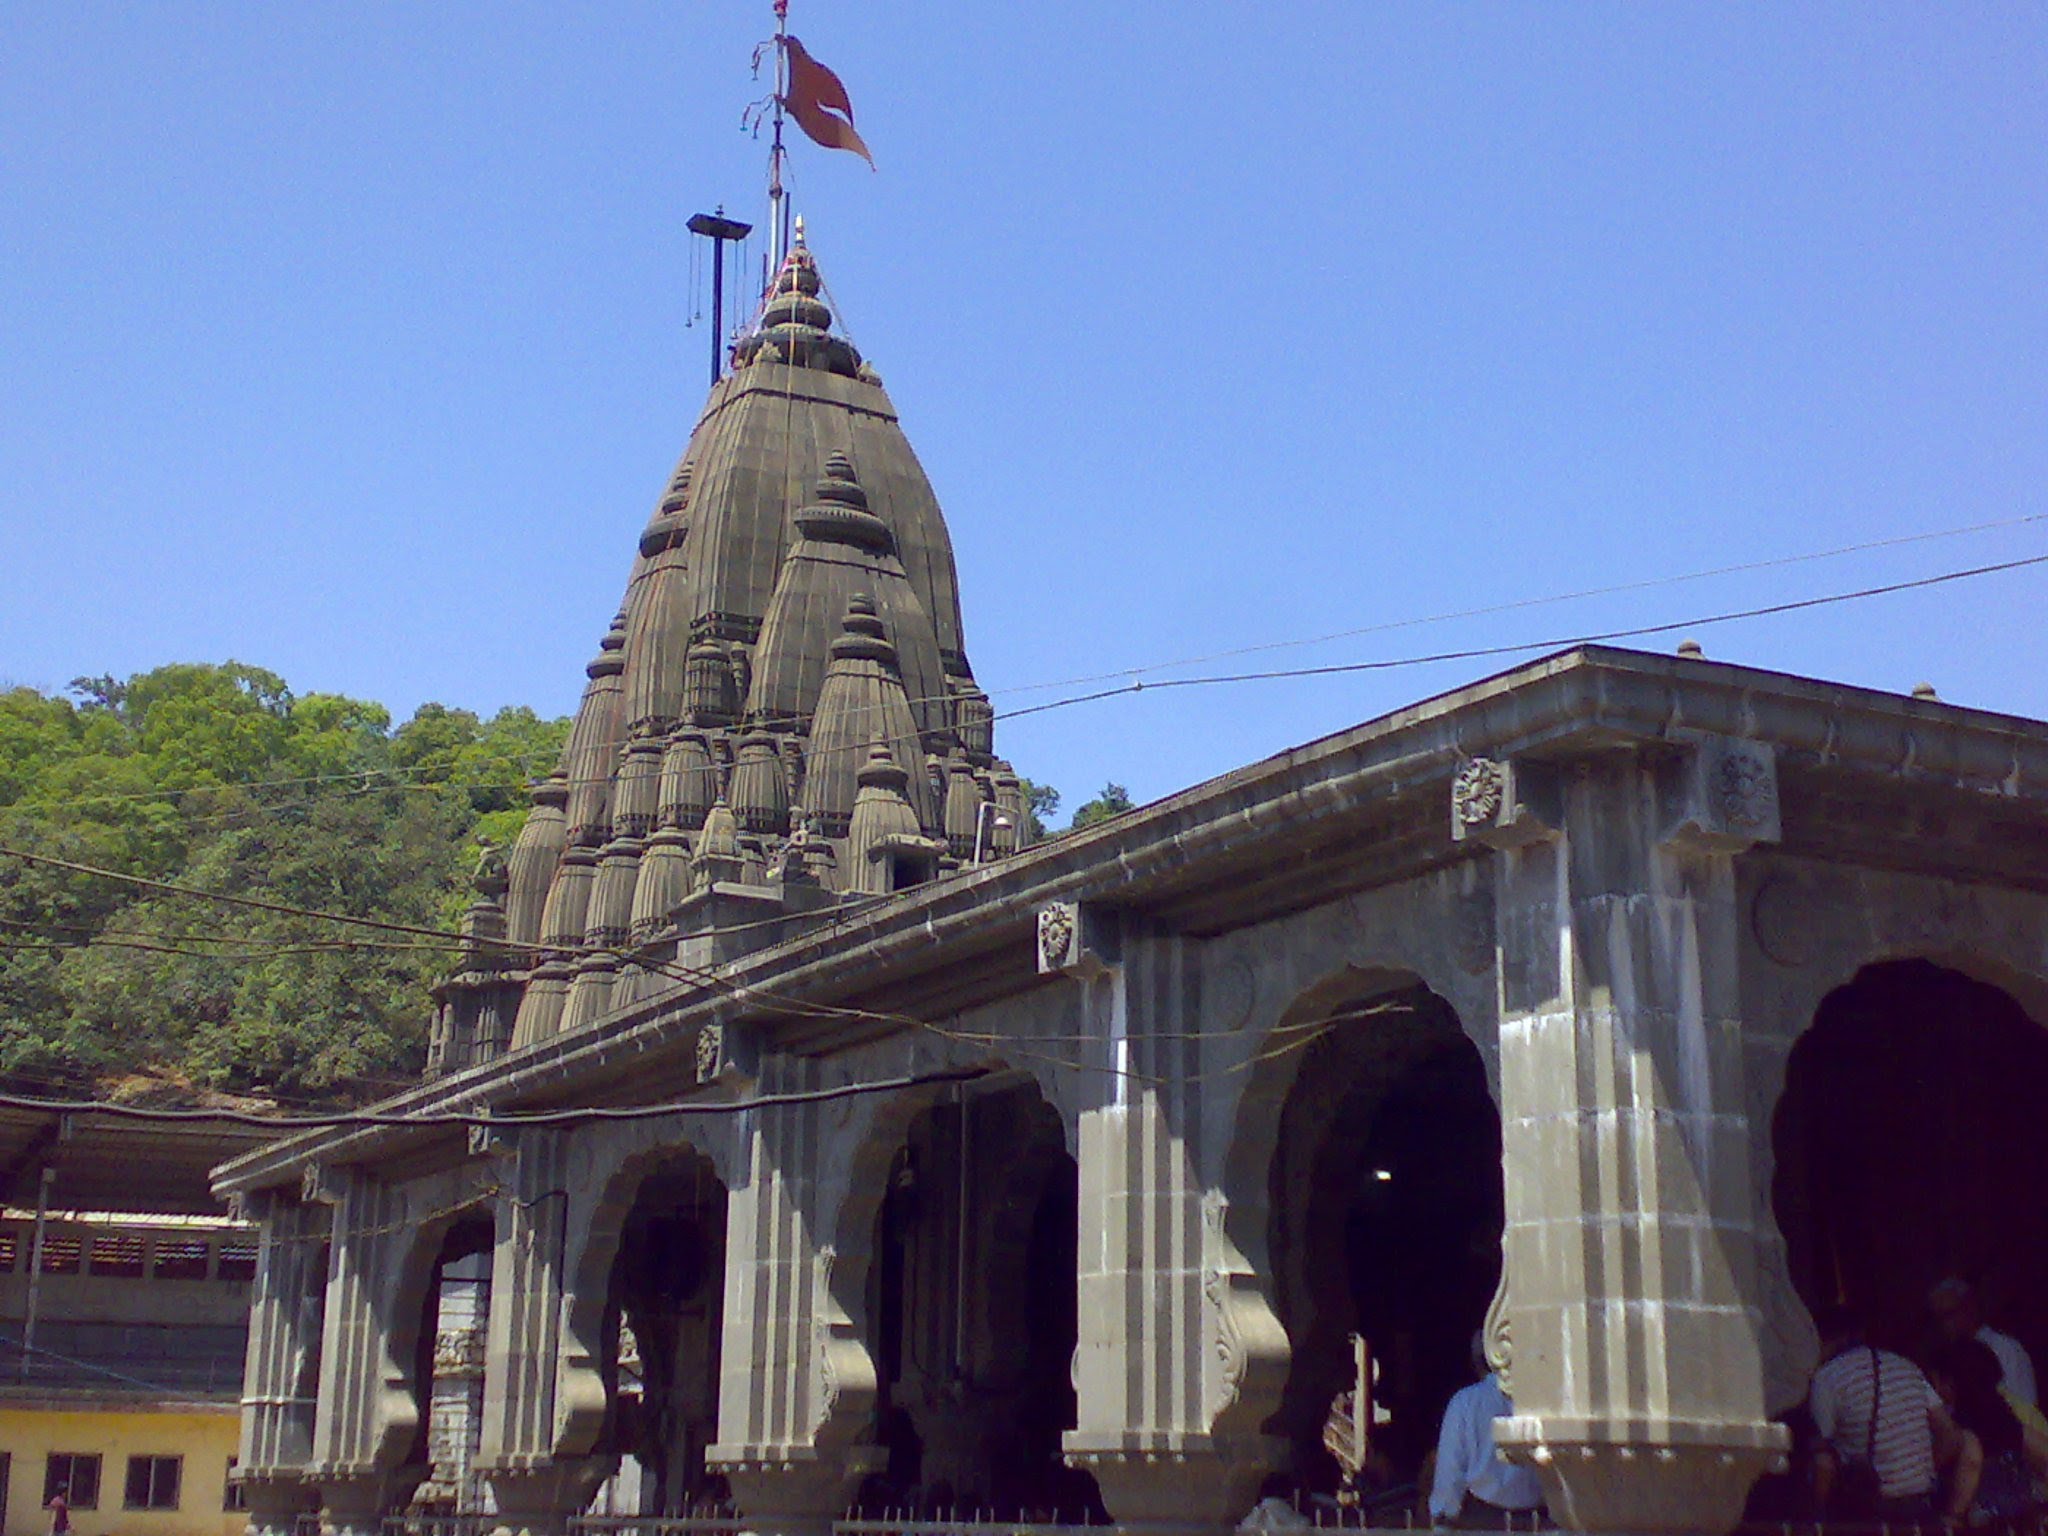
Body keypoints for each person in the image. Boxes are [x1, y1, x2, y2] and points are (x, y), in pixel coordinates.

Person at [1808, 1302, 1979, 1523]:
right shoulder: (1908, 1368)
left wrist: (1818, 1515)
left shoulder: (1827, 1378)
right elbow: (1950, 1435)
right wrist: (1917, 1472)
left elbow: (1824, 1463)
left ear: (1824, 1339)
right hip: (1918, 1507)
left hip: (1865, 1509)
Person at [1428, 1334, 1545, 1529]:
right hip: (1540, 1522)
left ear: (1477, 1362)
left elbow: (1450, 1470)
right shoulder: (1544, 1402)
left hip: (1485, 1522)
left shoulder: (1465, 1402)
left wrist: (1443, 1517)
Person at [1927, 1336, 2044, 1525]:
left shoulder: (1956, 1435)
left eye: (1935, 1381)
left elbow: (1970, 1462)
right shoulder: (2012, 1428)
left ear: (1950, 1383)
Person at [1931, 1275, 2039, 1408]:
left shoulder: (2005, 1348)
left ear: (1968, 1308)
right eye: (1939, 1318)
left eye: (1948, 1314)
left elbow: (2025, 1405)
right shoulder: (1948, 1360)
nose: (1944, 1324)